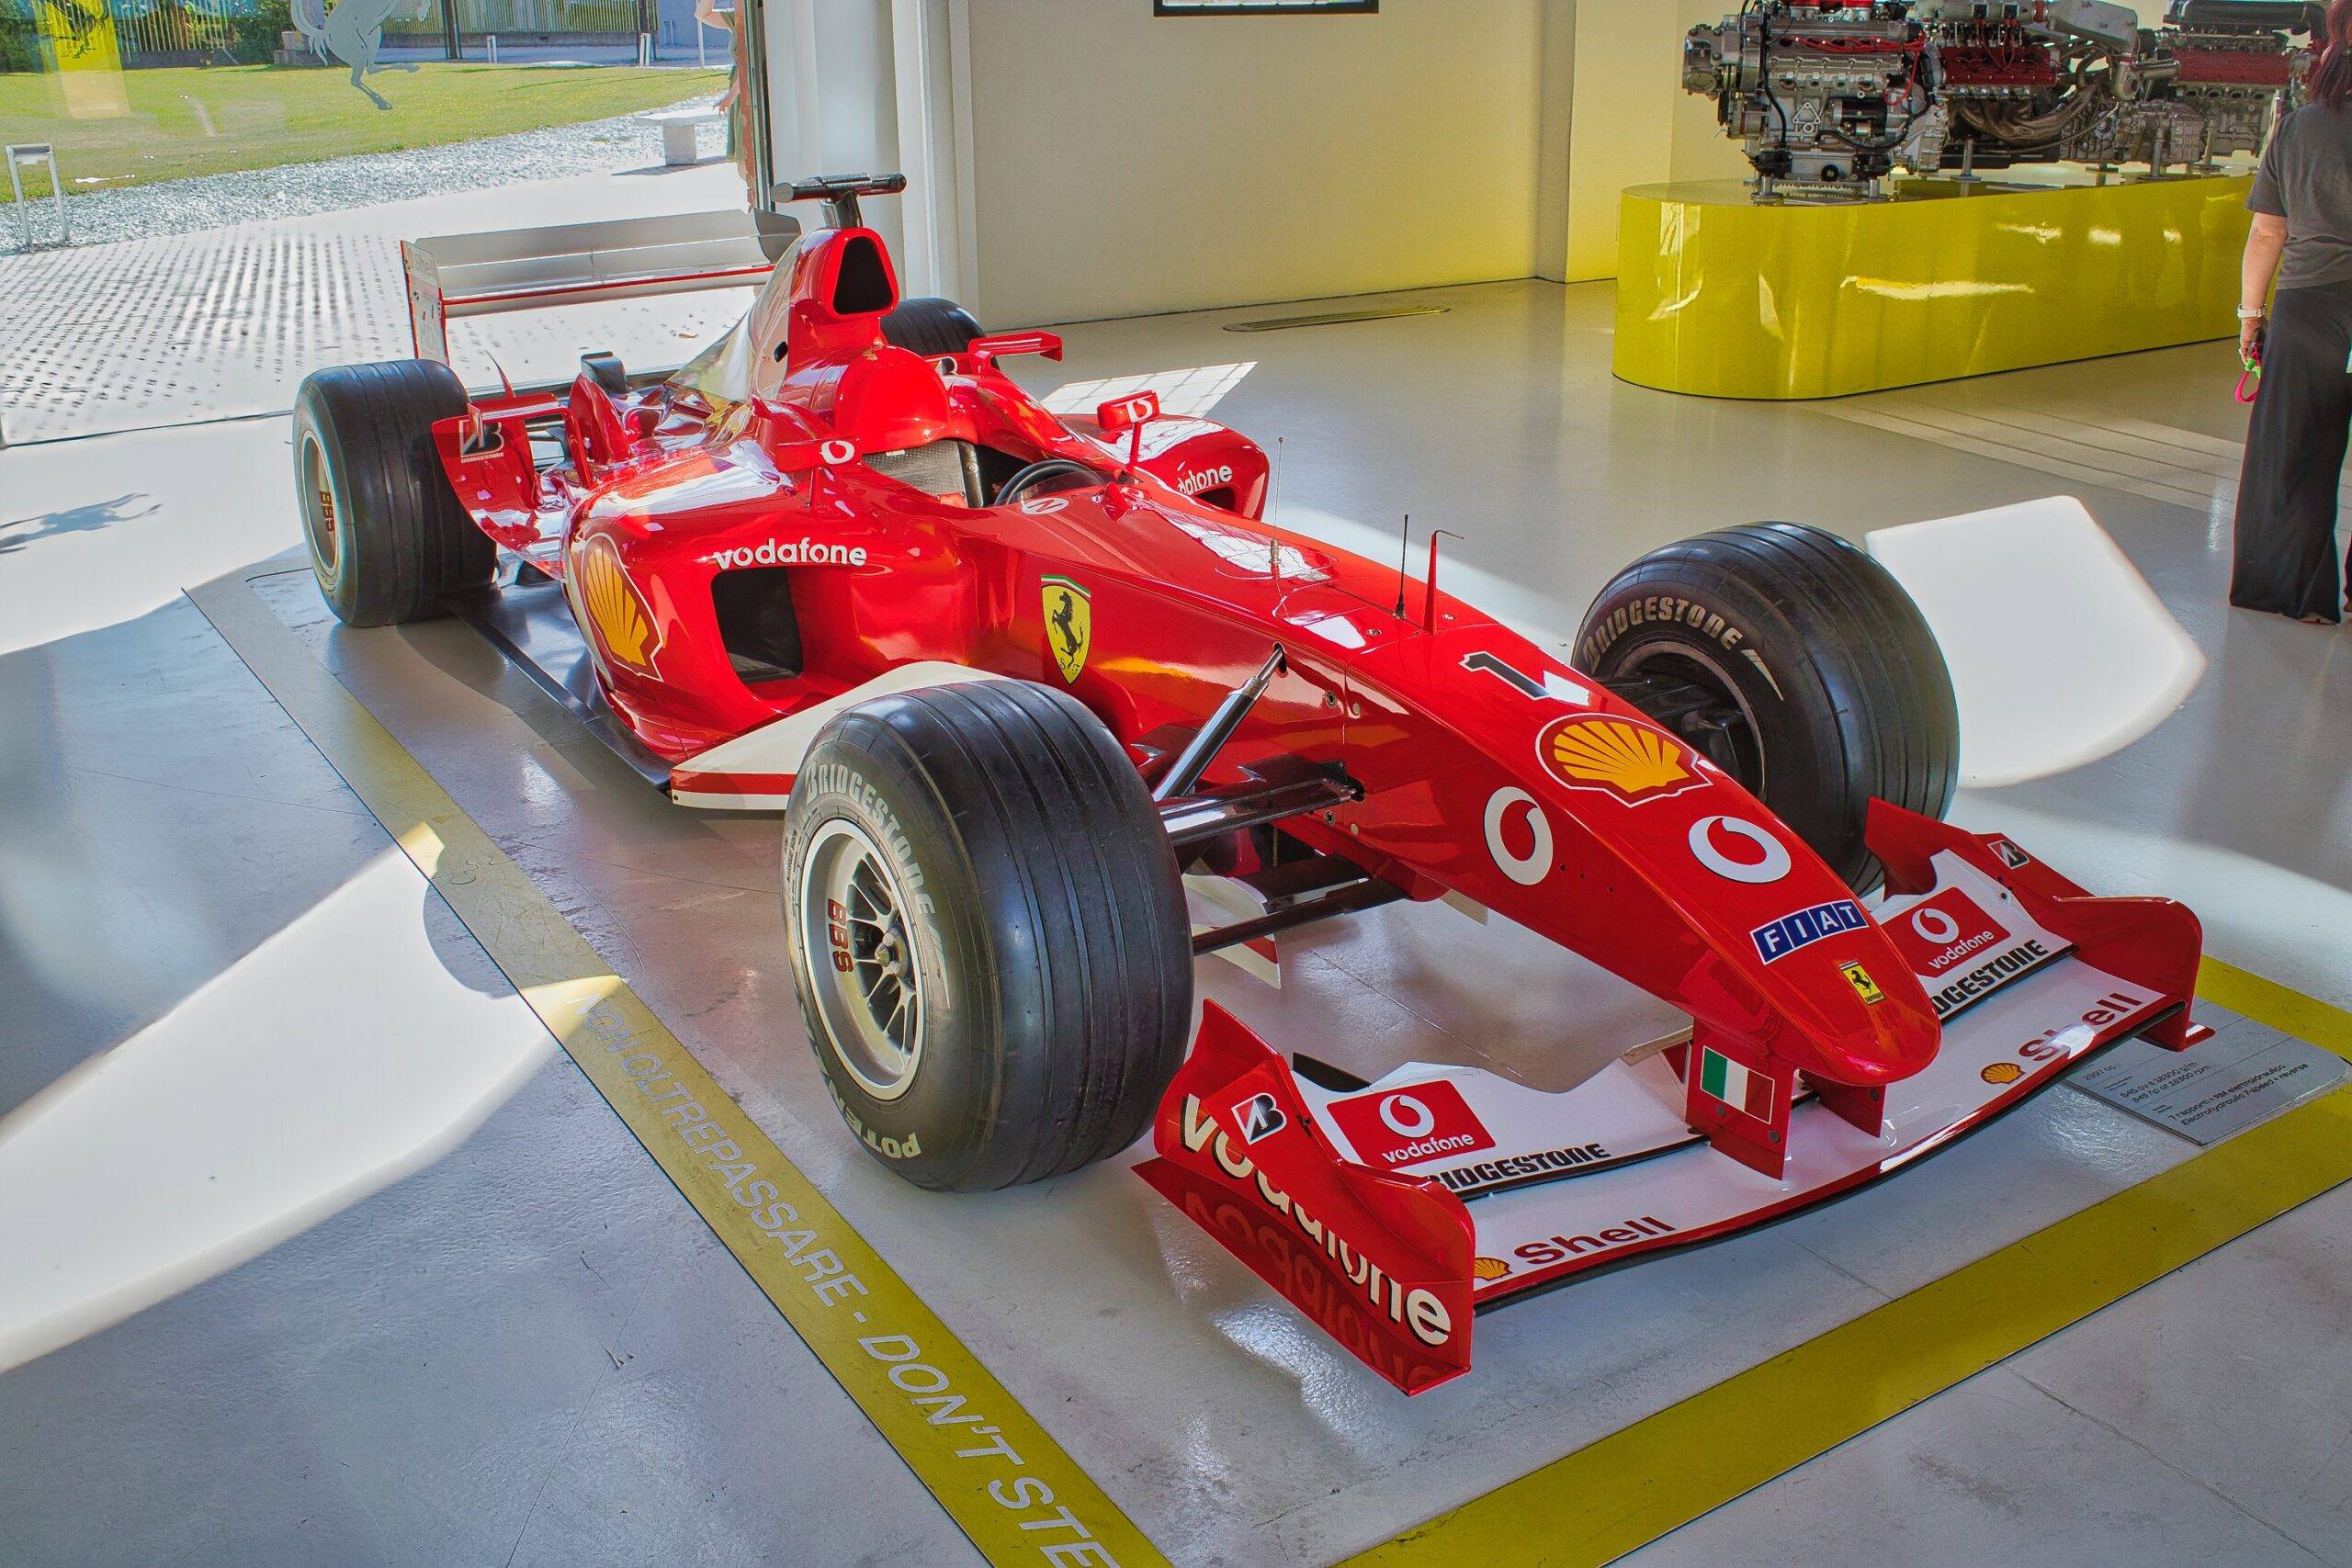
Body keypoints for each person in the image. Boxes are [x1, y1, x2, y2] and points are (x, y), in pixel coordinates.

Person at [2233, 0, 2352, 626]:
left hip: (2309, 312)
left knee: (2296, 457)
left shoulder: (2300, 127)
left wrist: (2251, 316)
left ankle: (2298, 595)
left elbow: (2267, 233)